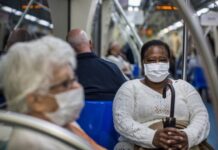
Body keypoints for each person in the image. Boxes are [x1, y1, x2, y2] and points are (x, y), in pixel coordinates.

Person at [0, 36, 105, 150]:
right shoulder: (33, 143)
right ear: (35, 100)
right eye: (65, 83)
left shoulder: (60, 121)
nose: (77, 86)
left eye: (74, 79)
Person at [113, 40, 211, 149]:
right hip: (141, 144)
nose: (157, 64)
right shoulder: (129, 88)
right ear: (142, 63)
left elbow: (201, 116)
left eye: (163, 60)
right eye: (151, 60)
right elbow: (122, 121)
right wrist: (152, 137)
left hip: (181, 142)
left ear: (169, 62)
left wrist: (188, 136)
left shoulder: (184, 87)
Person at [67, 29, 126, 100]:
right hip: (109, 111)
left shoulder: (64, 74)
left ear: (69, 47)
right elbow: (126, 93)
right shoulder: (112, 68)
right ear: (90, 43)